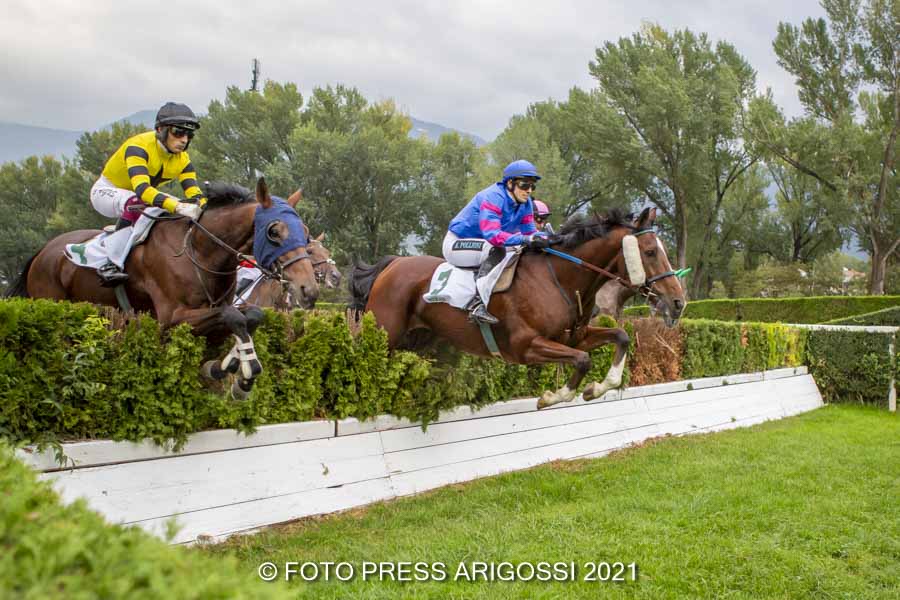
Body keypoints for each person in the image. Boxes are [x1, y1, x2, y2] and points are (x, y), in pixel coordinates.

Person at [89, 102, 207, 286]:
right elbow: (143, 191)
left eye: (189, 134)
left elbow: (194, 193)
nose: (184, 139)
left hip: (139, 196)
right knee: (137, 203)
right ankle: (111, 264)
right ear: (160, 129)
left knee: (177, 210)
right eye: (178, 132)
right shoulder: (138, 147)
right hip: (106, 192)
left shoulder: (183, 159)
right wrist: (178, 206)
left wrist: (206, 207)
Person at [443, 159, 550, 324]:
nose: (528, 191)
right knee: (496, 250)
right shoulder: (493, 197)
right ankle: (477, 304)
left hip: (484, 244)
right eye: (524, 185)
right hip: (457, 243)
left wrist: (548, 239)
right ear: (509, 183)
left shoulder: (526, 203)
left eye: (532, 186)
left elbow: (530, 232)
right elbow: (493, 236)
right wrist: (526, 238)